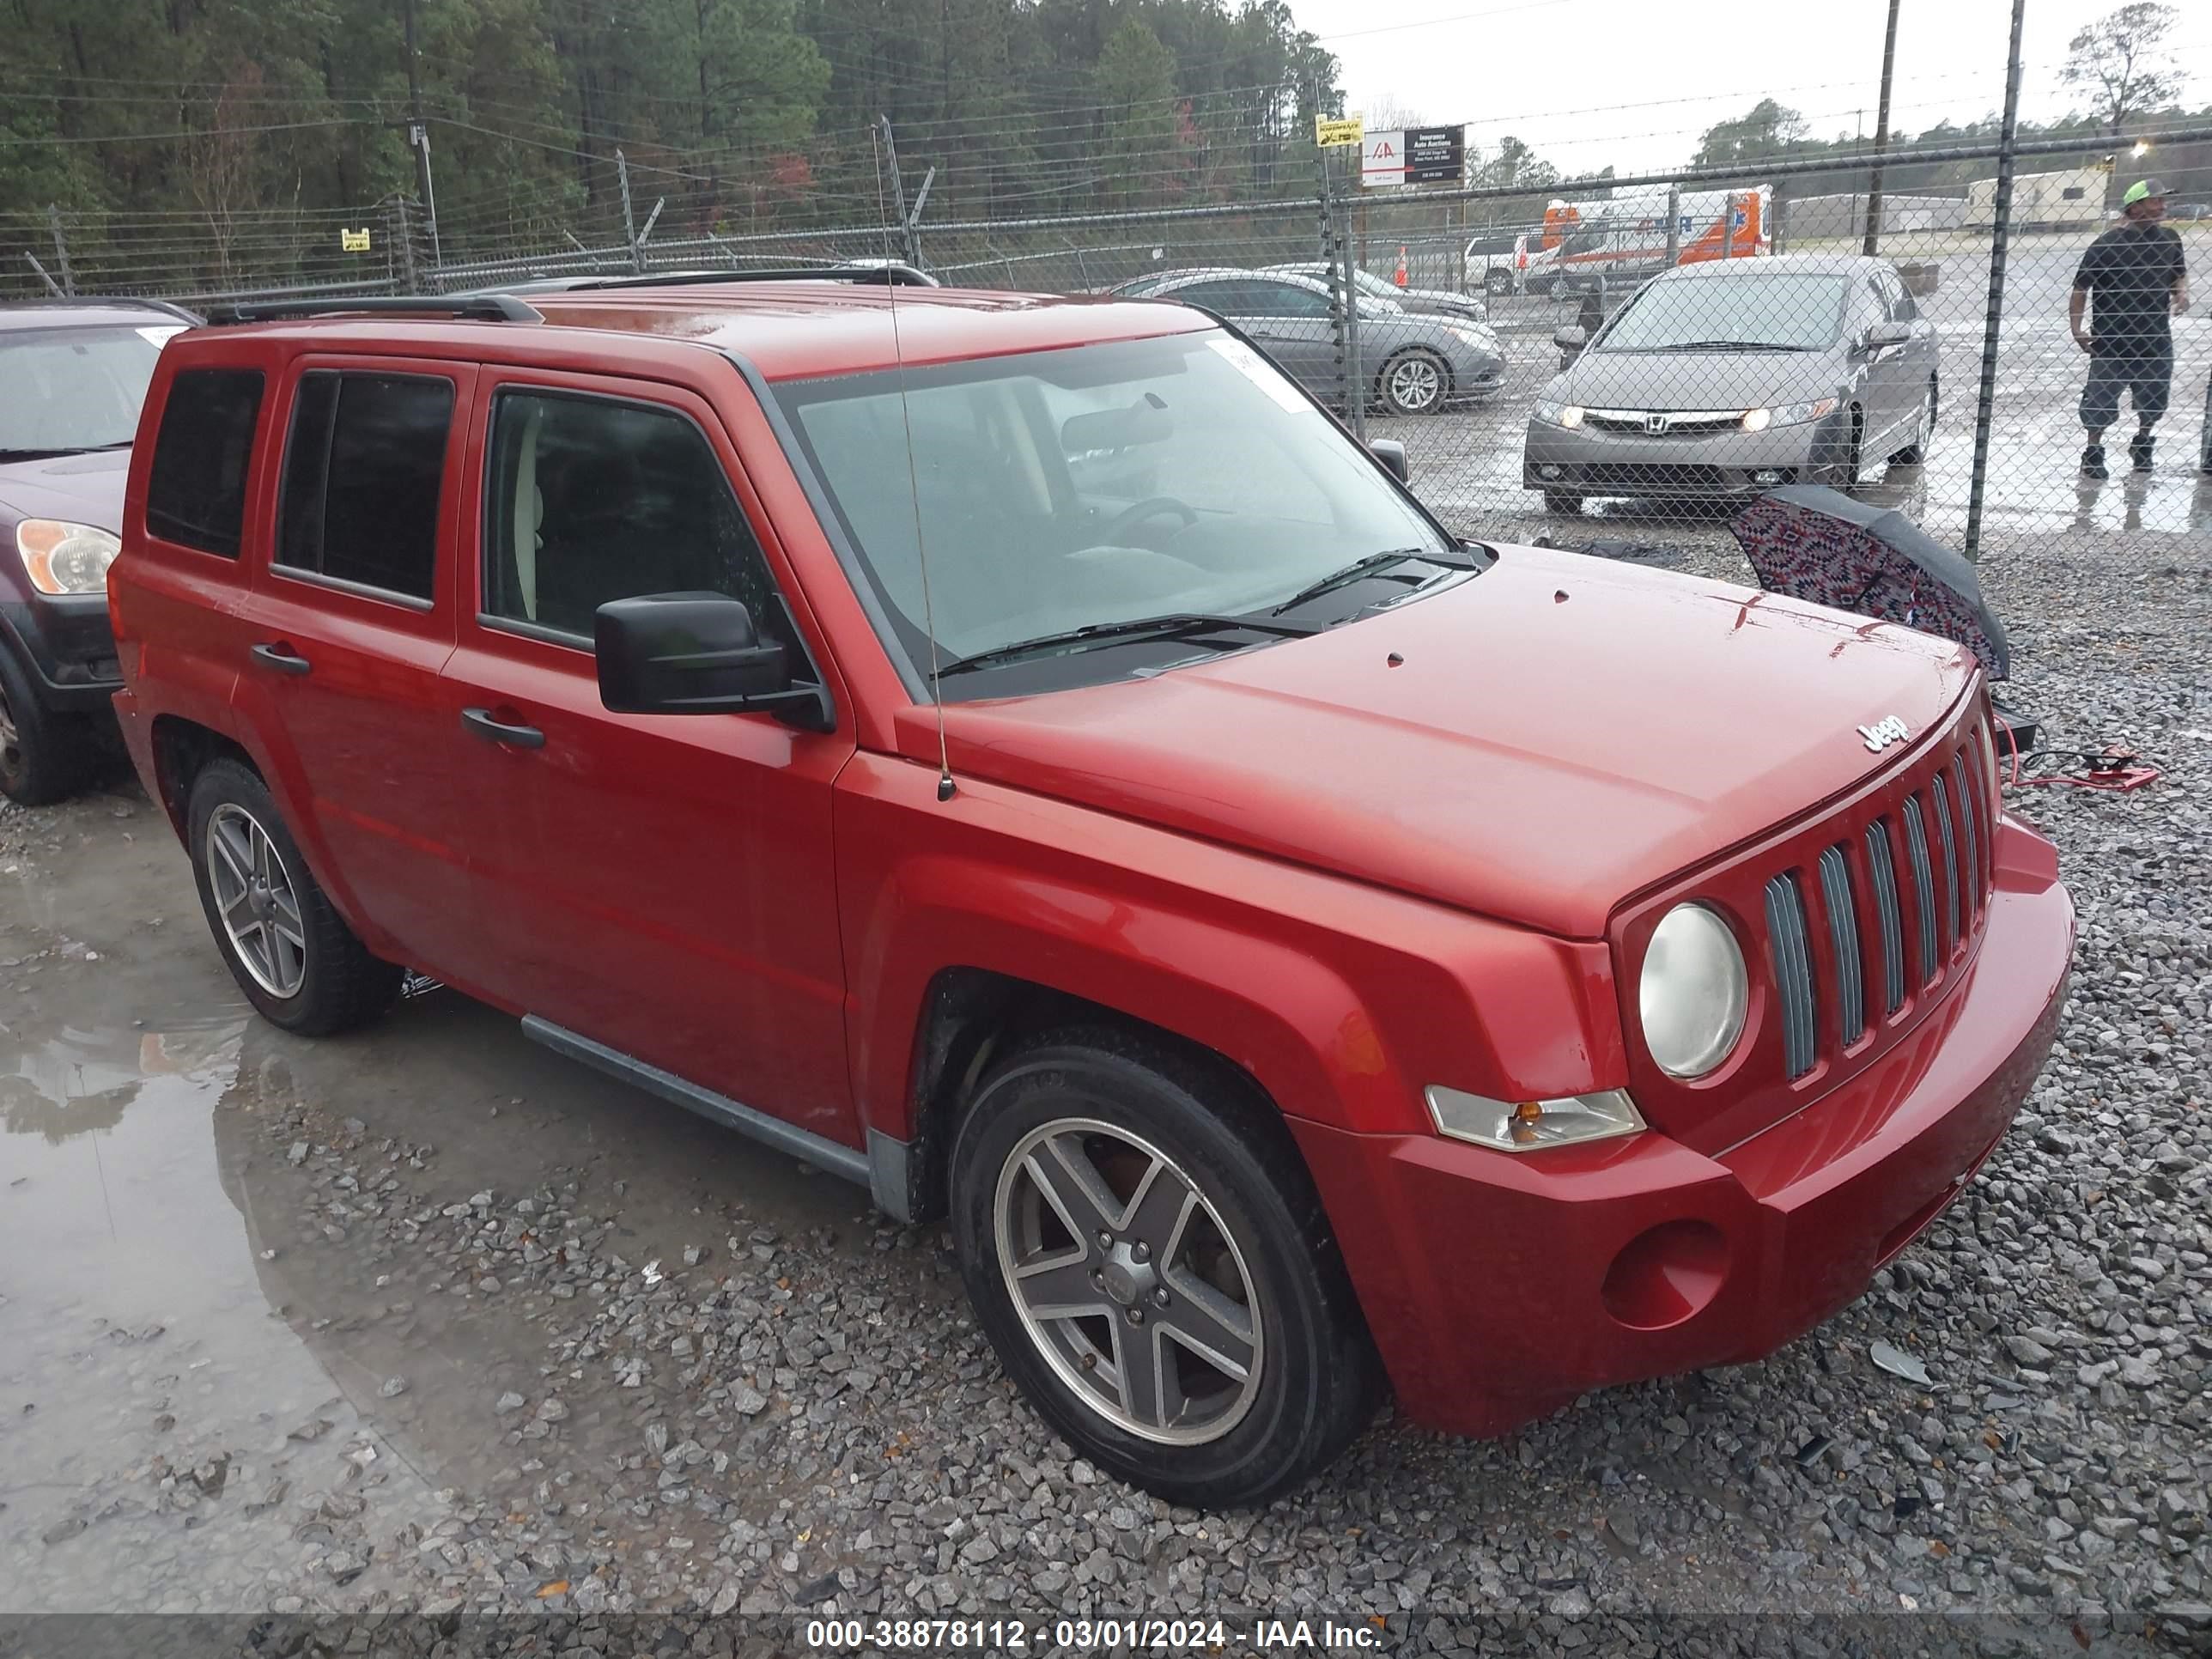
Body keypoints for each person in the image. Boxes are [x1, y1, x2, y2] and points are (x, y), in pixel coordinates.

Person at [2070, 178, 2190, 479]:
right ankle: (2093, 453)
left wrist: (2181, 293)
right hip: (2112, 341)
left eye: (2163, 201)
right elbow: (2080, 288)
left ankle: (2143, 443)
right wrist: (2077, 328)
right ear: (2134, 207)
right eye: (2155, 201)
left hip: (2155, 340)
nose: (2162, 206)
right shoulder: (2106, 245)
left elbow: (2179, 274)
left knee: (2153, 400)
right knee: (2099, 403)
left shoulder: (2170, 240)